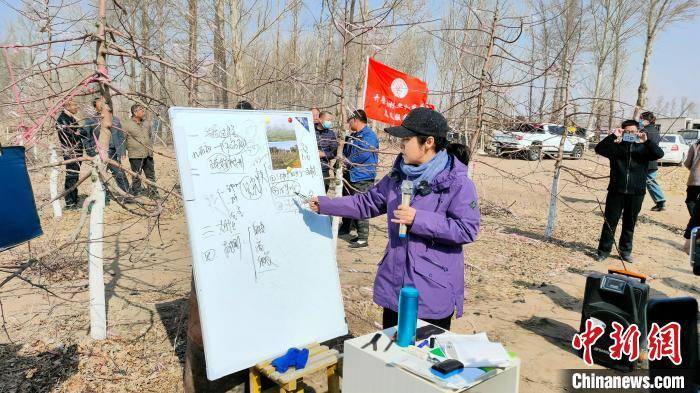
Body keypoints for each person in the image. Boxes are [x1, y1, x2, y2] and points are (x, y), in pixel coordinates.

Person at [308, 108, 480, 330]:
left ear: (428, 142)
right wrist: (325, 204)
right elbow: (365, 203)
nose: (401, 145)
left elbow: (466, 229)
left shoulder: (457, 183)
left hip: (430, 291)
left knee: (423, 360)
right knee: (391, 357)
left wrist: (418, 219)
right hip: (395, 285)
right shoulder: (398, 177)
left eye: (407, 139)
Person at [594, 119, 664, 263]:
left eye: (633, 131)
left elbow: (659, 154)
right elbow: (599, 149)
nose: (630, 134)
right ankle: (603, 251)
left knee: (629, 223)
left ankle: (625, 251)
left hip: (636, 192)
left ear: (638, 131)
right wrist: (613, 136)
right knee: (609, 222)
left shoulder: (644, 149)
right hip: (616, 191)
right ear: (623, 131)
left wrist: (646, 141)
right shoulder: (616, 147)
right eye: (627, 131)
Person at [338, 109, 379, 248]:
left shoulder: (369, 136)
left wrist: (347, 161)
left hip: (362, 176)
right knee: (348, 202)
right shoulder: (354, 135)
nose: (349, 124)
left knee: (361, 205)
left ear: (356, 120)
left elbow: (363, 154)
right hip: (350, 175)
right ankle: (346, 227)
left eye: (350, 121)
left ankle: (362, 237)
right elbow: (345, 151)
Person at [83, 97, 130, 199]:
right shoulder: (91, 120)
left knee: (120, 174)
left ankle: (127, 196)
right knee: (100, 175)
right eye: (100, 103)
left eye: (104, 103)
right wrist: (91, 152)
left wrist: (122, 151)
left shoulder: (115, 119)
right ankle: (103, 197)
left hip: (114, 151)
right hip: (99, 152)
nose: (103, 105)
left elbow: (121, 136)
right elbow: (86, 138)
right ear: (96, 108)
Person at [56, 99, 86, 209]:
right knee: (71, 175)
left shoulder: (72, 118)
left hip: (77, 151)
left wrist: (78, 133)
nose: (76, 107)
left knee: (75, 175)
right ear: (67, 107)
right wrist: (77, 133)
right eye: (74, 105)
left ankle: (74, 197)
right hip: (70, 151)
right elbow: (70, 136)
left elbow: (84, 133)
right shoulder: (62, 120)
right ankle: (70, 202)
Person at [123, 104, 158, 198]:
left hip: (148, 153)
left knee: (151, 175)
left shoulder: (146, 123)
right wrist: (128, 149)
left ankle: (153, 193)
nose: (143, 112)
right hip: (135, 155)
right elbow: (123, 139)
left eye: (143, 110)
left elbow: (149, 135)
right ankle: (136, 192)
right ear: (135, 112)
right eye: (141, 110)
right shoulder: (126, 124)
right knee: (136, 175)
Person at [640, 111, 666, 211]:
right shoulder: (655, 131)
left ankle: (660, 202)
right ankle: (660, 201)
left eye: (641, 119)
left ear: (646, 120)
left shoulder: (645, 131)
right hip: (652, 161)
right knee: (651, 182)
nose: (640, 121)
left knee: (648, 182)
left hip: (645, 161)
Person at [316, 111, 339, 192]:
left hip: (324, 169)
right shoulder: (310, 130)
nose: (329, 122)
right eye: (328, 120)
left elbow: (334, 153)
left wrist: (324, 154)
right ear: (320, 119)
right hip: (310, 168)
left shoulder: (331, 134)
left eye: (331, 120)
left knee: (322, 193)